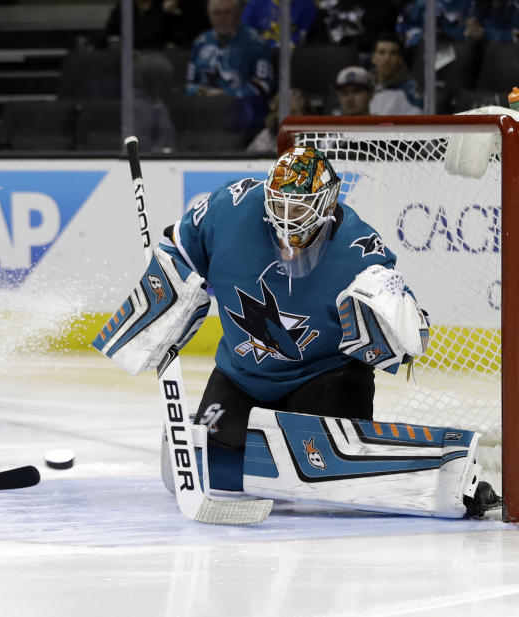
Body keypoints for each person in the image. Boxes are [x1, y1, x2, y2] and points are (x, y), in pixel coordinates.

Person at [93, 146, 502, 519]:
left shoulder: (359, 250)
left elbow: (409, 345)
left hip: (325, 378)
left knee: (333, 468)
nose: (288, 227)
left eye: (300, 212)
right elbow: (178, 247)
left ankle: (423, 480)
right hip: (242, 376)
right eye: (280, 210)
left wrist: (397, 323)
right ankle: (257, 450)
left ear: (326, 205)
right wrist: (168, 284)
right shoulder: (230, 207)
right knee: (196, 467)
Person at [185, 0, 273, 132]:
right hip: (203, 108)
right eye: (217, 13)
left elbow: (263, 85)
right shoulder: (201, 42)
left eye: (227, 13)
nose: (222, 18)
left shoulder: (255, 42)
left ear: (238, 14)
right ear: (209, 16)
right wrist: (202, 92)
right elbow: (189, 84)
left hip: (240, 109)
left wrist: (224, 94)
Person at [245, 88, 314, 153]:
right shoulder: (265, 137)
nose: (288, 117)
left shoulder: (314, 139)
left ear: (305, 114)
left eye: (293, 112)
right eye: (284, 112)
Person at [369, 32, 423, 115]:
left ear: (400, 60)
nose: (387, 58)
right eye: (382, 52)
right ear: (373, 58)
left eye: (393, 53)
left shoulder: (410, 90)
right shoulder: (365, 86)